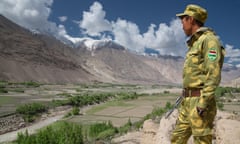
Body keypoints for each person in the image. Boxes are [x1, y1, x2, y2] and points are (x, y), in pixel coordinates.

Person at [171, 4, 225, 144]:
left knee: (201, 141)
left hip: (200, 103)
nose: (182, 25)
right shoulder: (194, 44)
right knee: (177, 139)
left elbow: (213, 74)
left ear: (191, 19)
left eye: (183, 20)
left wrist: (203, 102)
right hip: (187, 101)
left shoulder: (209, 40)